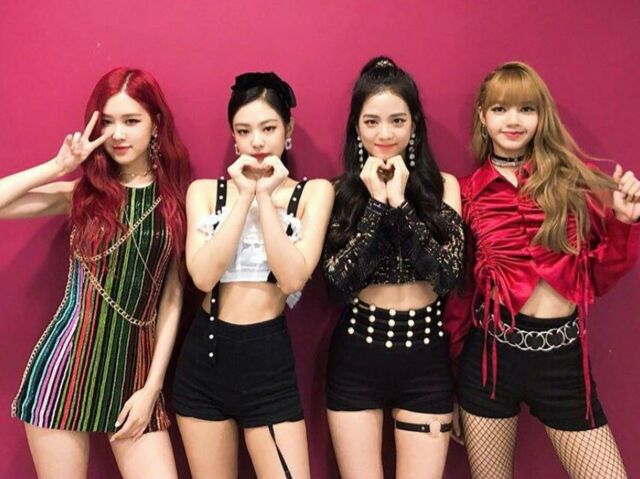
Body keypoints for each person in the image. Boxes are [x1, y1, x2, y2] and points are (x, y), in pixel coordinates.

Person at [445, 61, 640, 479]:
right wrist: (454, 385)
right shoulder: (466, 193)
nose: (513, 120)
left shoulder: (573, 183)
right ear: (482, 115)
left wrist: (624, 223)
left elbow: (597, 278)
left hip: (562, 362)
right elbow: (460, 294)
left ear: (541, 115)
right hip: (489, 362)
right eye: (500, 109)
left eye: (526, 109)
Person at [8, 67, 191, 479]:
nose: (118, 134)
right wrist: (58, 166)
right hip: (63, 368)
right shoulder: (83, 194)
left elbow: (172, 297)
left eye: (131, 120)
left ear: (156, 123)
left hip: (135, 373)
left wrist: (153, 388)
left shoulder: (176, 200)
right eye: (108, 122)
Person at [172, 71, 333, 479]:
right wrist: (245, 196)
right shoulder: (205, 192)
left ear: (288, 129)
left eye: (268, 128)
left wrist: (265, 194)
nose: (257, 141)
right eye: (244, 131)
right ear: (233, 136)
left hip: (267, 360)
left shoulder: (313, 193)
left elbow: (292, 278)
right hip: (205, 358)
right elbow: (203, 277)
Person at [323, 56, 465, 479]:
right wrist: (374, 206)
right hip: (356, 356)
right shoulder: (339, 192)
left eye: (397, 121)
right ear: (356, 127)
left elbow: (447, 276)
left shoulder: (444, 187)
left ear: (414, 125)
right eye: (371, 122)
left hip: (426, 358)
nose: (384, 134)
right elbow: (337, 284)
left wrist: (400, 204)